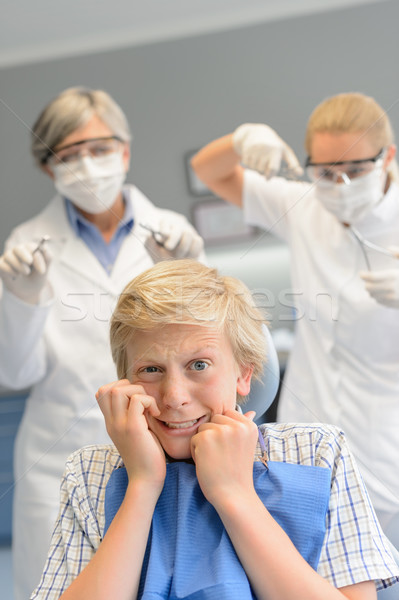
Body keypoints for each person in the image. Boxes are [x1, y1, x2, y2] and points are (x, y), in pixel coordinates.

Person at [30, 258, 398, 600]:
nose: (174, 397)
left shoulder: (316, 452)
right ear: (124, 381)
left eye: (199, 365)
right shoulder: (91, 471)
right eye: (151, 370)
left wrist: (234, 493)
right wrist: (142, 484)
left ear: (244, 373)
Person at [0, 87, 205, 600]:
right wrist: (22, 300)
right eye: (68, 156)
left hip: (166, 452)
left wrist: (186, 277)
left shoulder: (172, 234)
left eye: (98, 149)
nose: (87, 165)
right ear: (49, 169)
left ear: (125, 151)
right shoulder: (27, 246)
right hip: (60, 456)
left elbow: (208, 351)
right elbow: (16, 373)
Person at [190, 92, 399, 553]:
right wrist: (242, 139)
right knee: (302, 567)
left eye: (356, 170)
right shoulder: (304, 205)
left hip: (389, 438)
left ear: (389, 156)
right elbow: (210, 170)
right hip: (309, 431)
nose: (340, 184)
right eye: (325, 172)